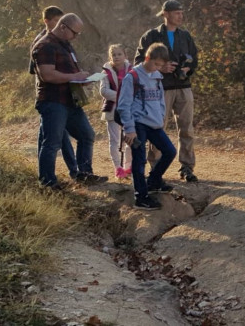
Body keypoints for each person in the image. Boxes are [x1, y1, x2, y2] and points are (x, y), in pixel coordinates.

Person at [32, 13, 107, 189]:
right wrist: (74, 76)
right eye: (75, 33)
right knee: (52, 142)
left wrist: (83, 78)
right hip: (53, 101)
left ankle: (85, 174)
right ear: (63, 27)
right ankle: (47, 182)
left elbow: (69, 71)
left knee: (86, 135)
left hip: (70, 100)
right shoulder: (45, 45)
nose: (76, 37)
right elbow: (47, 75)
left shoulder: (66, 46)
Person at [135, 0, 199, 182]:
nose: (181, 16)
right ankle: (156, 169)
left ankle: (187, 167)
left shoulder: (185, 36)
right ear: (166, 14)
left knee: (186, 128)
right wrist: (159, 68)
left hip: (183, 87)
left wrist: (187, 70)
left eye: (181, 12)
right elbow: (139, 61)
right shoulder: (151, 36)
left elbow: (194, 59)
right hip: (159, 88)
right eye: (177, 13)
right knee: (156, 127)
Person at [117, 42, 177, 210]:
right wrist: (129, 129)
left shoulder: (157, 75)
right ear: (147, 58)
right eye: (156, 64)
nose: (158, 68)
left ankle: (153, 181)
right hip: (137, 124)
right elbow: (124, 105)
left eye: (161, 65)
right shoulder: (133, 77)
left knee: (170, 151)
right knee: (139, 159)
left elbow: (159, 100)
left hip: (154, 123)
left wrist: (160, 119)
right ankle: (141, 197)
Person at [30, 6, 79, 179]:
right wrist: (69, 77)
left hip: (66, 97)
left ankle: (74, 171)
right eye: (56, 21)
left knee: (53, 137)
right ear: (48, 21)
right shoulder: (42, 42)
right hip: (51, 97)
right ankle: (48, 178)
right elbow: (40, 74)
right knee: (52, 140)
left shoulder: (64, 43)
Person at [100, 44, 133, 179]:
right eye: (114, 55)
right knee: (114, 140)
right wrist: (122, 96)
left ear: (125, 56)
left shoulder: (132, 71)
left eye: (119, 54)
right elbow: (104, 91)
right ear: (110, 57)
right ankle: (117, 168)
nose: (117, 57)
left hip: (129, 109)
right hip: (112, 109)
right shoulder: (105, 72)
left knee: (129, 138)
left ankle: (128, 166)